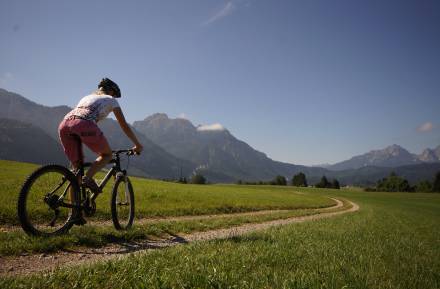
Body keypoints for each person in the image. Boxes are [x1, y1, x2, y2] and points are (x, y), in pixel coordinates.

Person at [58, 78, 143, 224]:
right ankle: (89, 178)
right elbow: (124, 126)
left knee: (76, 172)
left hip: (64, 124)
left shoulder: (86, 97)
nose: (114, 97)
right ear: (111, 91)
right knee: (107, 154)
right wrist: (137, 144)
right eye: (115, 94)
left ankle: (74, 214)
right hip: (83, 124)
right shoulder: (111, 100)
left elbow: (84, 120)